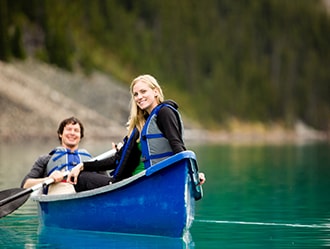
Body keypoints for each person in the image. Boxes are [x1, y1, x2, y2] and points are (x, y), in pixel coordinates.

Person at [67, 74, 205, 192]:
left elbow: (177, 146)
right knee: (85, 172)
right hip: (131, 182)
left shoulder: (164, 112)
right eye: (136, 94)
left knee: (81, 178)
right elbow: (116, 160)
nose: (139, 97)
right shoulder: (140, 126)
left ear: (156, 91)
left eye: (143, 92)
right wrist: (83, 165)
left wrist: (192, 173)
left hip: (144, 183)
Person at [21, 116, 93, 194]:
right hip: (58, 196)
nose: (72, 133)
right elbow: (26, 185)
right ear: (60, 134)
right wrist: (49, 179)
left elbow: (106, 182)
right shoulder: (46, 159)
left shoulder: (92, 161)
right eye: (68, 129)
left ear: (80, 136)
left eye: (76, 130)